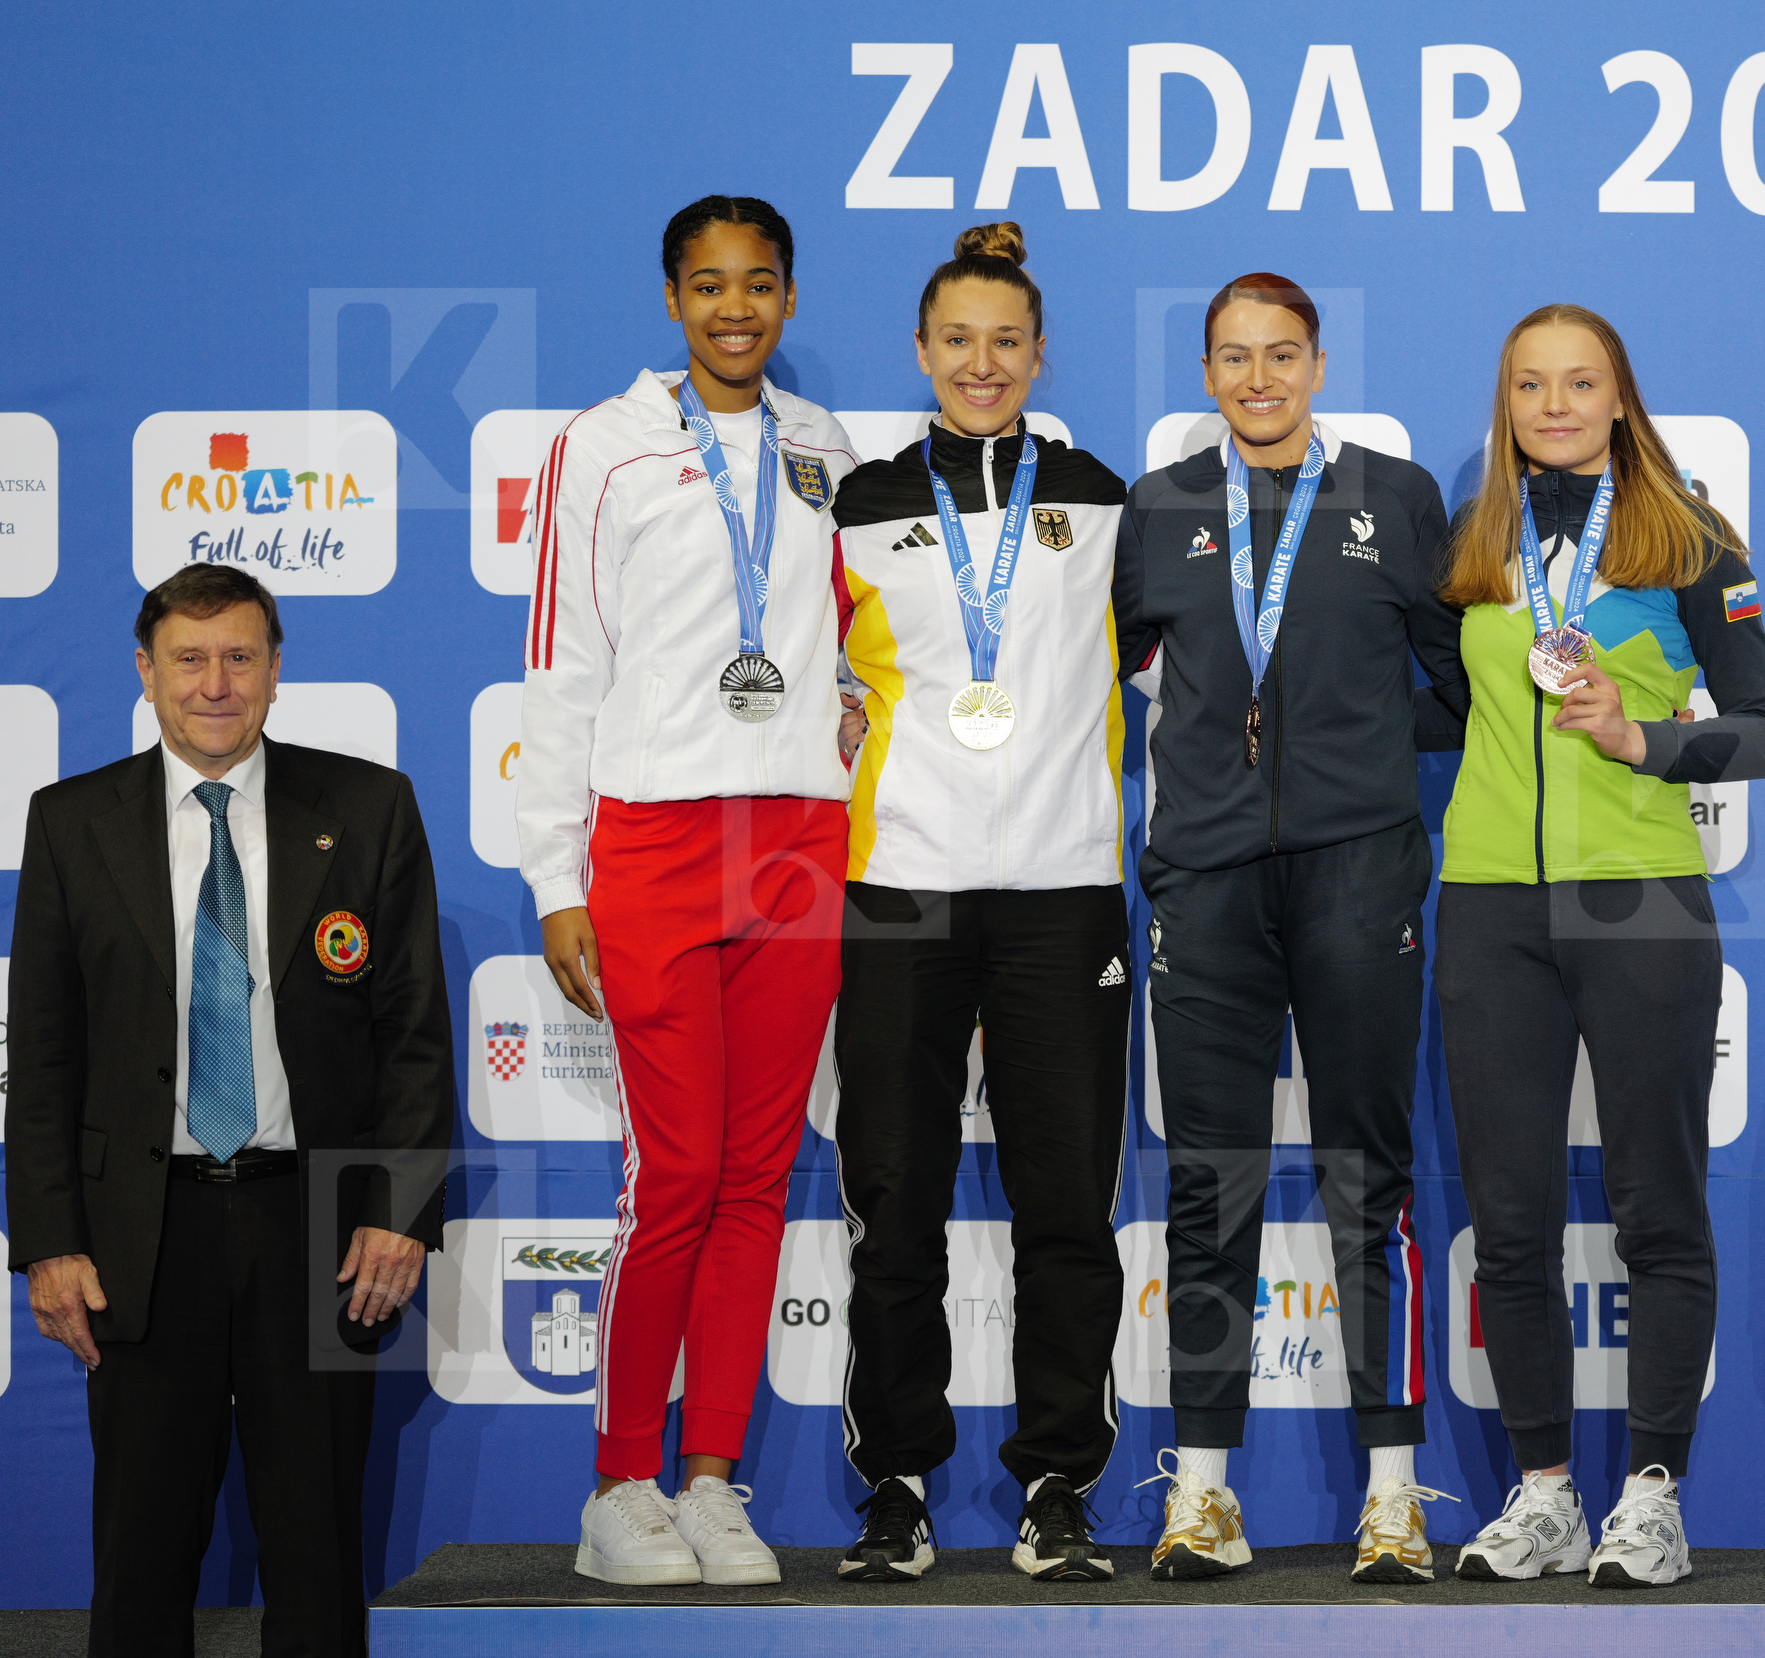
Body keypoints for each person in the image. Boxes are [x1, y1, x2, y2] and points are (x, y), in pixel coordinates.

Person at [7, 563, 454, 1655]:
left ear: (275, 668)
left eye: (240, 656)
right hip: (138, 1236)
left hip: (320, 1232)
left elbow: (415, 1033)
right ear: (146, 672)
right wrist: (50, 1241)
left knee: (316, 1557)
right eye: (190, 658)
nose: (217, 683)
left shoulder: (365, 808)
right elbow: (46, 1053)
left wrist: (397, 1209)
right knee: (142, 1560)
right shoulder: (70, 821)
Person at [520, 194, 858, 1586]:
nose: (735, 307)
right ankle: (618, 1484)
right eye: (709, 285)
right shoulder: (598, 447)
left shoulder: (823, 447)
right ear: (671, 299)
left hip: (797, 838)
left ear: (788, 299)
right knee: (677, 1173)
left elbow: (852, 646)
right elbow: (563, 663)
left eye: (760, 284)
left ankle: (711, 1476)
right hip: (654, 839)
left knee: (761, 1176)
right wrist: (557, 873)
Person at [1113, 272, 1468, 1583]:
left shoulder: (1395, 494)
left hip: (1358, 877)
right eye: (1233, 359)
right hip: (1204, 881)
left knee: (1368, 1180)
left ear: (1318, 363)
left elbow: (1457, 684)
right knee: (1210, 1182)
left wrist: (1353, 759)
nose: (1258, 381)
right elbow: (1091, 673)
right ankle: (1200, 1491)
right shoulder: (1159, 510)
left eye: (1281, 356)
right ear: (1207, 375)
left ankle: (1393, 1494)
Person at [1428, 305, 1765, 1588]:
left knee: (1655, 1205)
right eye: (1532, 383)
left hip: (1638, 896)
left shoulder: (1686, 538)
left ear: (1622, 397)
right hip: (1487, 899)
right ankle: (1541, 1495)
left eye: (1582, 382)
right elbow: (1429, 703)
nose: (1557, 403)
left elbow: (1764, 729)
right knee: (1509, 1218)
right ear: (1506, 401)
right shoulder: (1473, 537)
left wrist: (1646, 739)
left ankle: (1649, 1491)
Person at [826, 222, 1131, 1584]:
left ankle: (1059, 1478)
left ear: (1039, 350)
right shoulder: (861, 502)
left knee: (1066, 1198)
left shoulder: (1104, 494)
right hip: (899, 885)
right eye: (959, 340)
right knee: (896, 1200)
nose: (984, 363)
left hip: (1065, 890)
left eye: (1008, 340)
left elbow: (1172, 671)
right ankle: (895, 1478)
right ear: (922, 351)